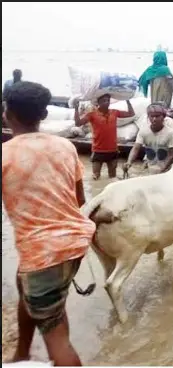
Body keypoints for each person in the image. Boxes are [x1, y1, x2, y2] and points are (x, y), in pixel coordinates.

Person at [3, 81, 96, 366]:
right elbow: (79, 198)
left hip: (44, 254)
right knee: (25, 285)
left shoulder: (5, 155)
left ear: (7, 113)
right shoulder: (65, 147)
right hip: (75, 244)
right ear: (44, 115)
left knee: (57, 339)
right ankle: (22, 353)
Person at [74, 94, 135, 180]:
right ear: (98, 102)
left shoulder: (114, 112)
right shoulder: (92, 114)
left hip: (113, 150)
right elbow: (78, 123)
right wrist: (76, 109)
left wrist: (127, 100)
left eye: (108, 100)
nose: (106, 103)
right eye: (104, 101)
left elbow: (131, 113)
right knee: (95, 177)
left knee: (113, 177)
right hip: (98, 150)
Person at [124, 103, 173, 175]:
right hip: (152, 167)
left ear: (163, 117)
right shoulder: (144, 131)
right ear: (148, 117)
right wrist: (129, 162)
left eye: (157, 116)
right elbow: (136, 148)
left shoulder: (171, 133)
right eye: (152, 116)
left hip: (168, 169)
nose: (154, 119)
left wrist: (162, 170)